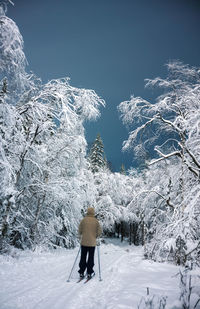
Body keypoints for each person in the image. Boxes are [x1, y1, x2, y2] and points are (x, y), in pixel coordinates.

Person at [78, 207, 102, 279]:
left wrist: (83, 235)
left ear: (87, 212)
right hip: (92, 243)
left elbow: (79, 231)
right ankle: (89, 272)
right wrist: (95, 236)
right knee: (90, 258)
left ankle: (81, 272)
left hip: (84, 242)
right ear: (93, 212)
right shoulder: (96, 221)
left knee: (83, 257)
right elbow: (99, 232)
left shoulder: (83, 220)